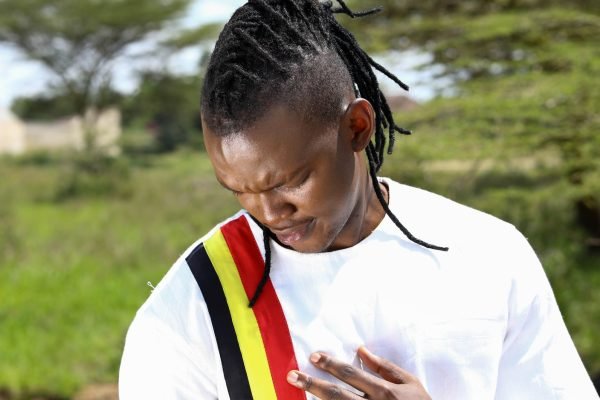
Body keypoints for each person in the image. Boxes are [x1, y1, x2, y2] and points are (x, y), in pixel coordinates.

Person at [118, 1, 599, 399]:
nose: (267, 213)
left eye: (291, 181)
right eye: (239, 189)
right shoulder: (189, 309)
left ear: (357, 128)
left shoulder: (488, 254)